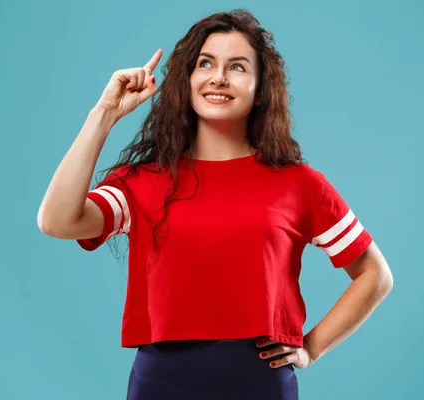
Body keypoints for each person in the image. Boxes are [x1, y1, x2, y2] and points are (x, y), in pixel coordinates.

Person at [37, 9, 394, 400]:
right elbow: (56, 221)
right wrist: (103, 114)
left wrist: (311, 347)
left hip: (260, 383)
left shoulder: (299, 183)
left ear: (260, 91)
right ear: (187, 81)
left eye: (237, 67)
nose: (218, 77)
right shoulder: (141, 182)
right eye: (205, 63)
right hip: (161, 384)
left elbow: (375, 275)